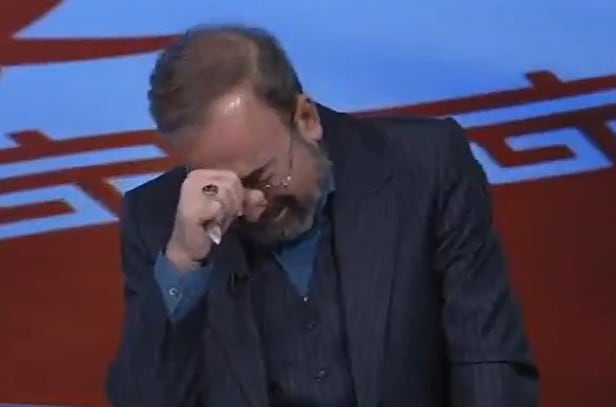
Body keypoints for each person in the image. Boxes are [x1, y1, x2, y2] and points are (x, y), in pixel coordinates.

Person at [106, 24, 539, 407]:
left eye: (262, 177)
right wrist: (184, 263)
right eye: (223, 186)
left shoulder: (425, 167)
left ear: (306, 118)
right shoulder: (159, 222)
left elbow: (487, 356)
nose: (250, 205)